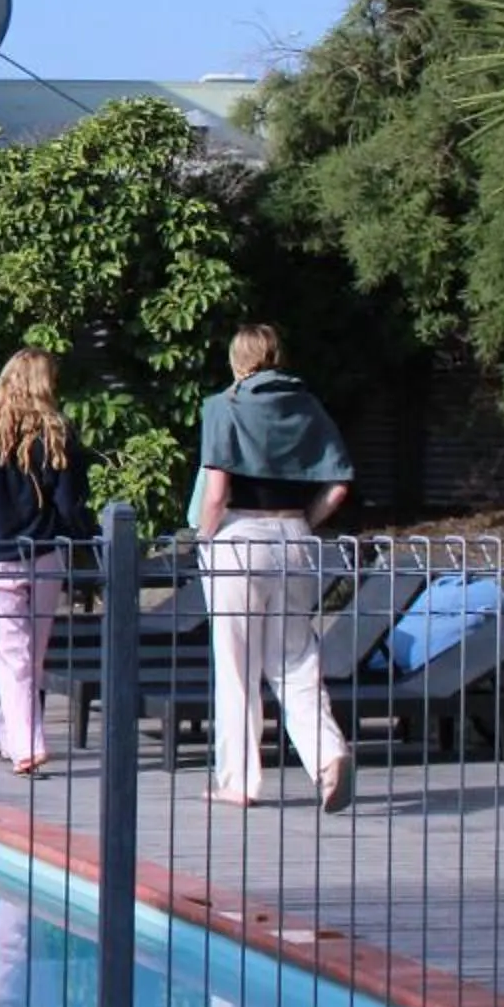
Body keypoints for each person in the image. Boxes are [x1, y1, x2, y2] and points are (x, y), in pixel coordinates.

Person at [189, 323, 356, 813]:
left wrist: (204, 537)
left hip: (238, 539)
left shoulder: (225, 406)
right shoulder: (308, 405)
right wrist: (305, 519)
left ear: (237, 359)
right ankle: (329, 756)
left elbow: (216, 490)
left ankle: (237, 781)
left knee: (237, 666)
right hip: (295, 540)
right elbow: (339, 484)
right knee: (296, 659)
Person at [0, 347, 95, 777]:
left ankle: (26, 744)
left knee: (12, 653)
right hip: (45, 552)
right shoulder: (57, 431)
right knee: (29, 651)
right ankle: (8, 731)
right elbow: (71, 501)